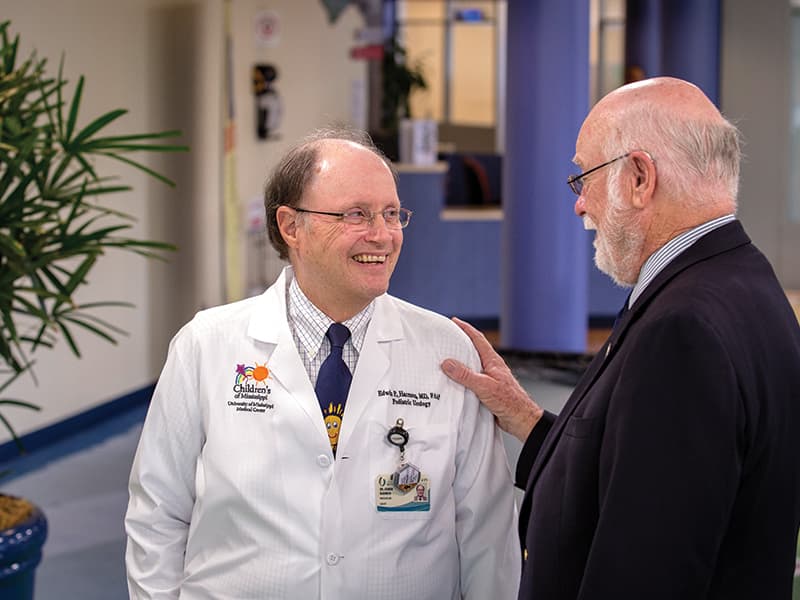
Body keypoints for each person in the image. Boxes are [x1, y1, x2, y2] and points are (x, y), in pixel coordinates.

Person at [441, 77, 800, 599]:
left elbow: (646, 566)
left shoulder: (685, 329)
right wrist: (523, 415)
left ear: (638, 178)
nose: (579, 205)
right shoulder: (743, 282)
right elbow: (635, 469)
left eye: (583, 178)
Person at [125, 127, 520, 599]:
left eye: (392, 214)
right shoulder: (205, 345)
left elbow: (486, 530)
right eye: (356, 214)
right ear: (291, 226)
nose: (383, 234)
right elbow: (157, 514)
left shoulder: (447, 352)